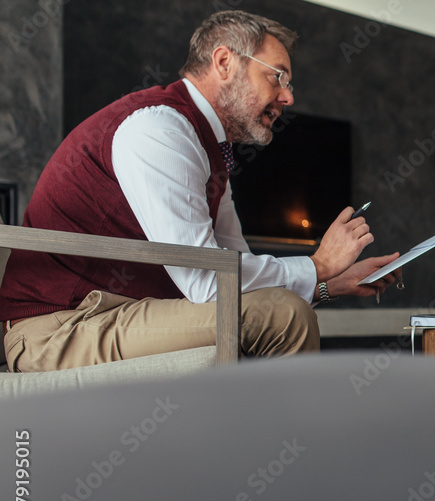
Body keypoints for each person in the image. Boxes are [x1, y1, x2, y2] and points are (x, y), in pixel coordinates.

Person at [0, 10, 399, 372]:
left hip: (114, 314)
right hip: (61, 327)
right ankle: (283, 450)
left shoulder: (208, 149)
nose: (288, 97)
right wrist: (317, 266)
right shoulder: (159, 129)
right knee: (283, 317)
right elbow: (209, 284)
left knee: (277, 312)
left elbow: (236, 269)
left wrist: (328, 285)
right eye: (277, 76)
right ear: (225, 62)